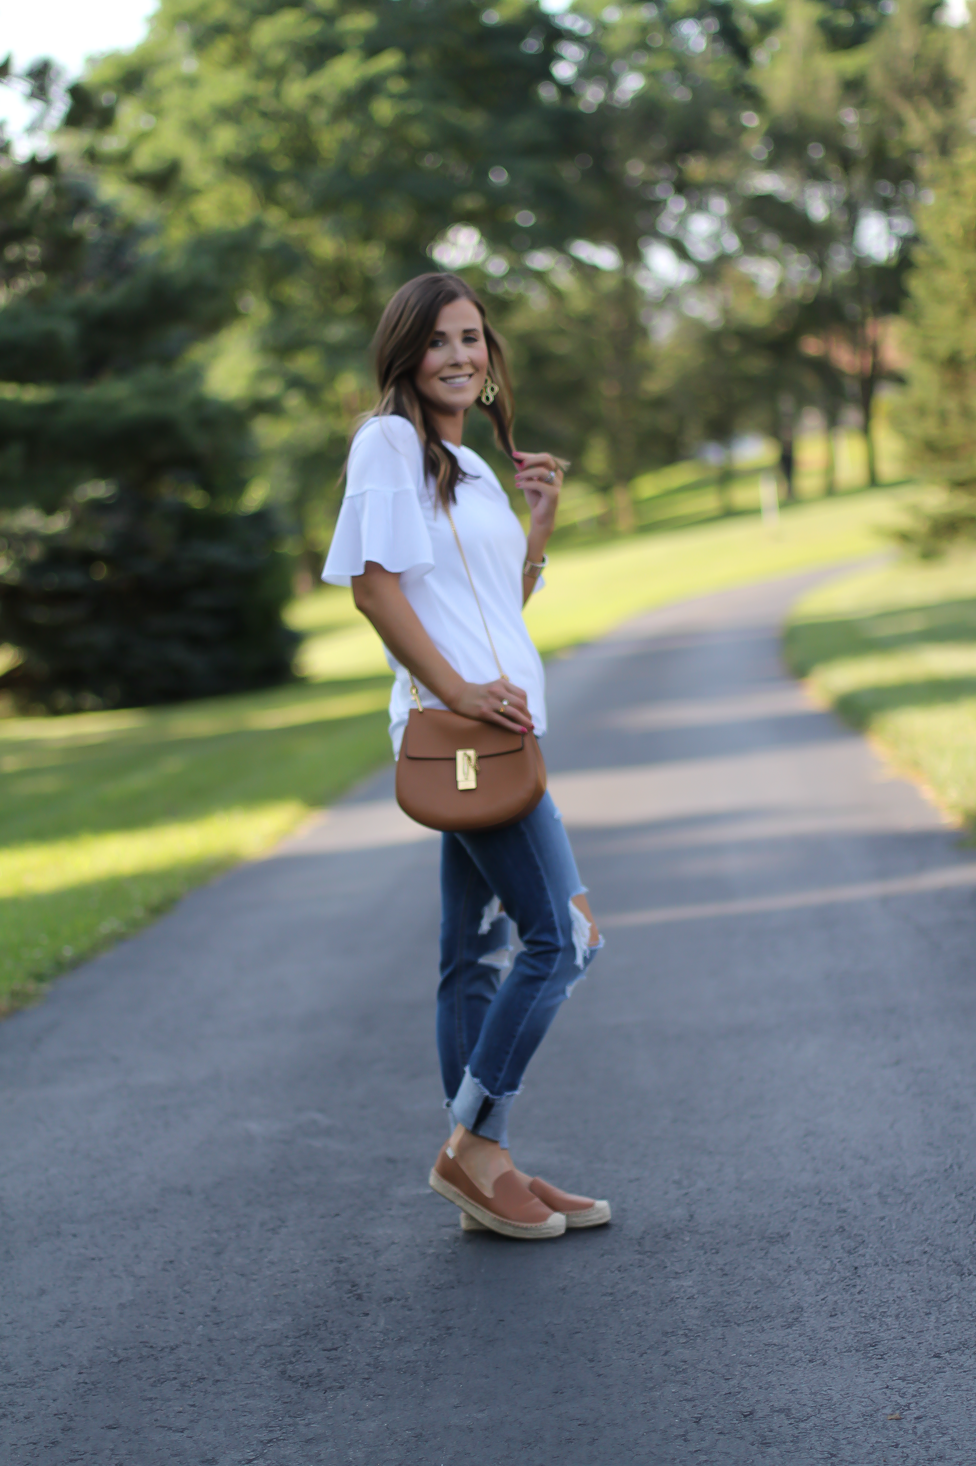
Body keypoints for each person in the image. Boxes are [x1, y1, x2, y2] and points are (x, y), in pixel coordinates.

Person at [323, 272, 609, 1241]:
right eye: (440, 339)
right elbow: (373, 588)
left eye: (473, 339)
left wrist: (535, 529)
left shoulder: (470, 461)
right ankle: (472, 1146)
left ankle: (486, 1163)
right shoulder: (389, 440)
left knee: (470, 954)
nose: (460, 355)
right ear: (406, 352)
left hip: (499, 728)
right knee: (562, 940)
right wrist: (454, 694)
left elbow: (489, 612)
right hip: (467, 735)